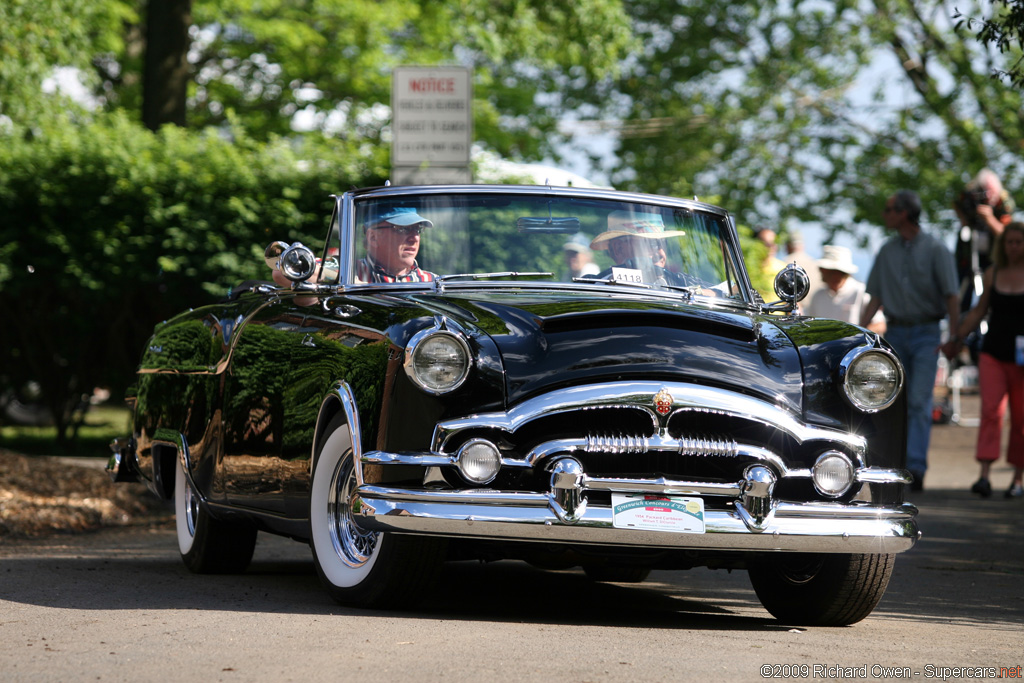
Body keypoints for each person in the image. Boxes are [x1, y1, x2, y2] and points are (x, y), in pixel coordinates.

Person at [860, 190, 962, 491]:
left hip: (926, 333)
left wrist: (955, 337)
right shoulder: (886, 251)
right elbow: (875, 296)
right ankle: (895, 464)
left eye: (889, 209)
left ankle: (915, 467)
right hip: (895, 333)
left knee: (919, 400)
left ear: (904, 213)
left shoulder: (936, 249)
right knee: (891, 402)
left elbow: (952, 296)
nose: (885, 214)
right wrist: (856, 331)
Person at [957, 221, 1024, 499]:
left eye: (1019, 242)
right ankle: (984, 476)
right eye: (1009, 241)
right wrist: (956, 339)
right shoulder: (993, 273)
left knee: (1021, 420)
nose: (1013, 247)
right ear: (1002, 244)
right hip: (993, 354)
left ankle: (1017, 480)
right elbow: (978, 312)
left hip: (1022, 360)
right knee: (991, 412)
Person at [588, 211, 698, 287]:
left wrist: (695, 291)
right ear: (619, 249)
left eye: (663, 244)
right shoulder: (591, 285)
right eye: (652, 244)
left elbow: (715, 291)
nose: (661, 253)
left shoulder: (681, 282)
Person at [804, 245, 886, 334]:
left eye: (838, 272)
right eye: (828, 271)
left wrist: (858, 336)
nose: (834, 276)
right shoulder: (818, 296)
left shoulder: (860, 292)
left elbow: (880, 325)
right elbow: (809, 325)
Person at [355, 207, 436, 283]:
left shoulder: (434, 283)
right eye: (403, 229)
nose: (415, 238)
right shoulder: (349, 279)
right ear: (373, 237)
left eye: (418, 229)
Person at [785, 230, 823, 299]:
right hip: (813, 307)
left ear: (788, 246)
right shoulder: (814, 263)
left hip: (792, 307)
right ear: (803, 245)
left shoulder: (786, 262)